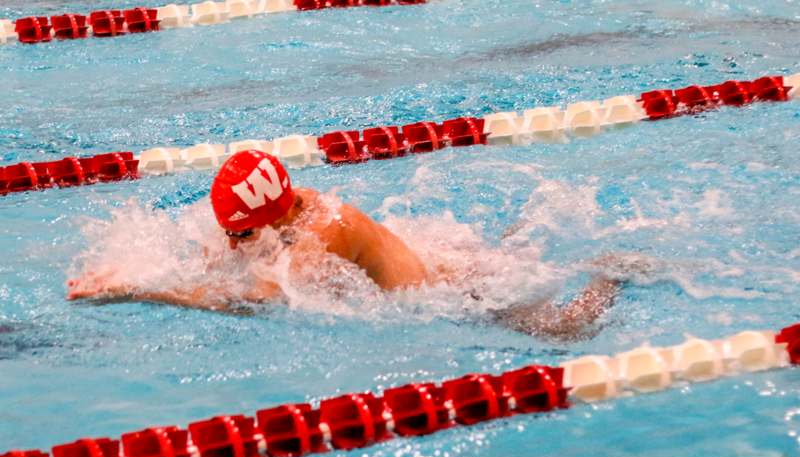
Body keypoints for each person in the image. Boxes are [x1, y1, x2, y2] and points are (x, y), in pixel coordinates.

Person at [67, 150, 623, 341]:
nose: (232, 245)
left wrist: (138, 290)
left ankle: (615, 272)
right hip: (439, 263)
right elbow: (234, 252)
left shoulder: (322, 234)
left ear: (264, 218)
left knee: (567, 333)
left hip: (458, 298)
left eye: (239, 233)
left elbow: (256, 301)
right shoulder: (290, 204)